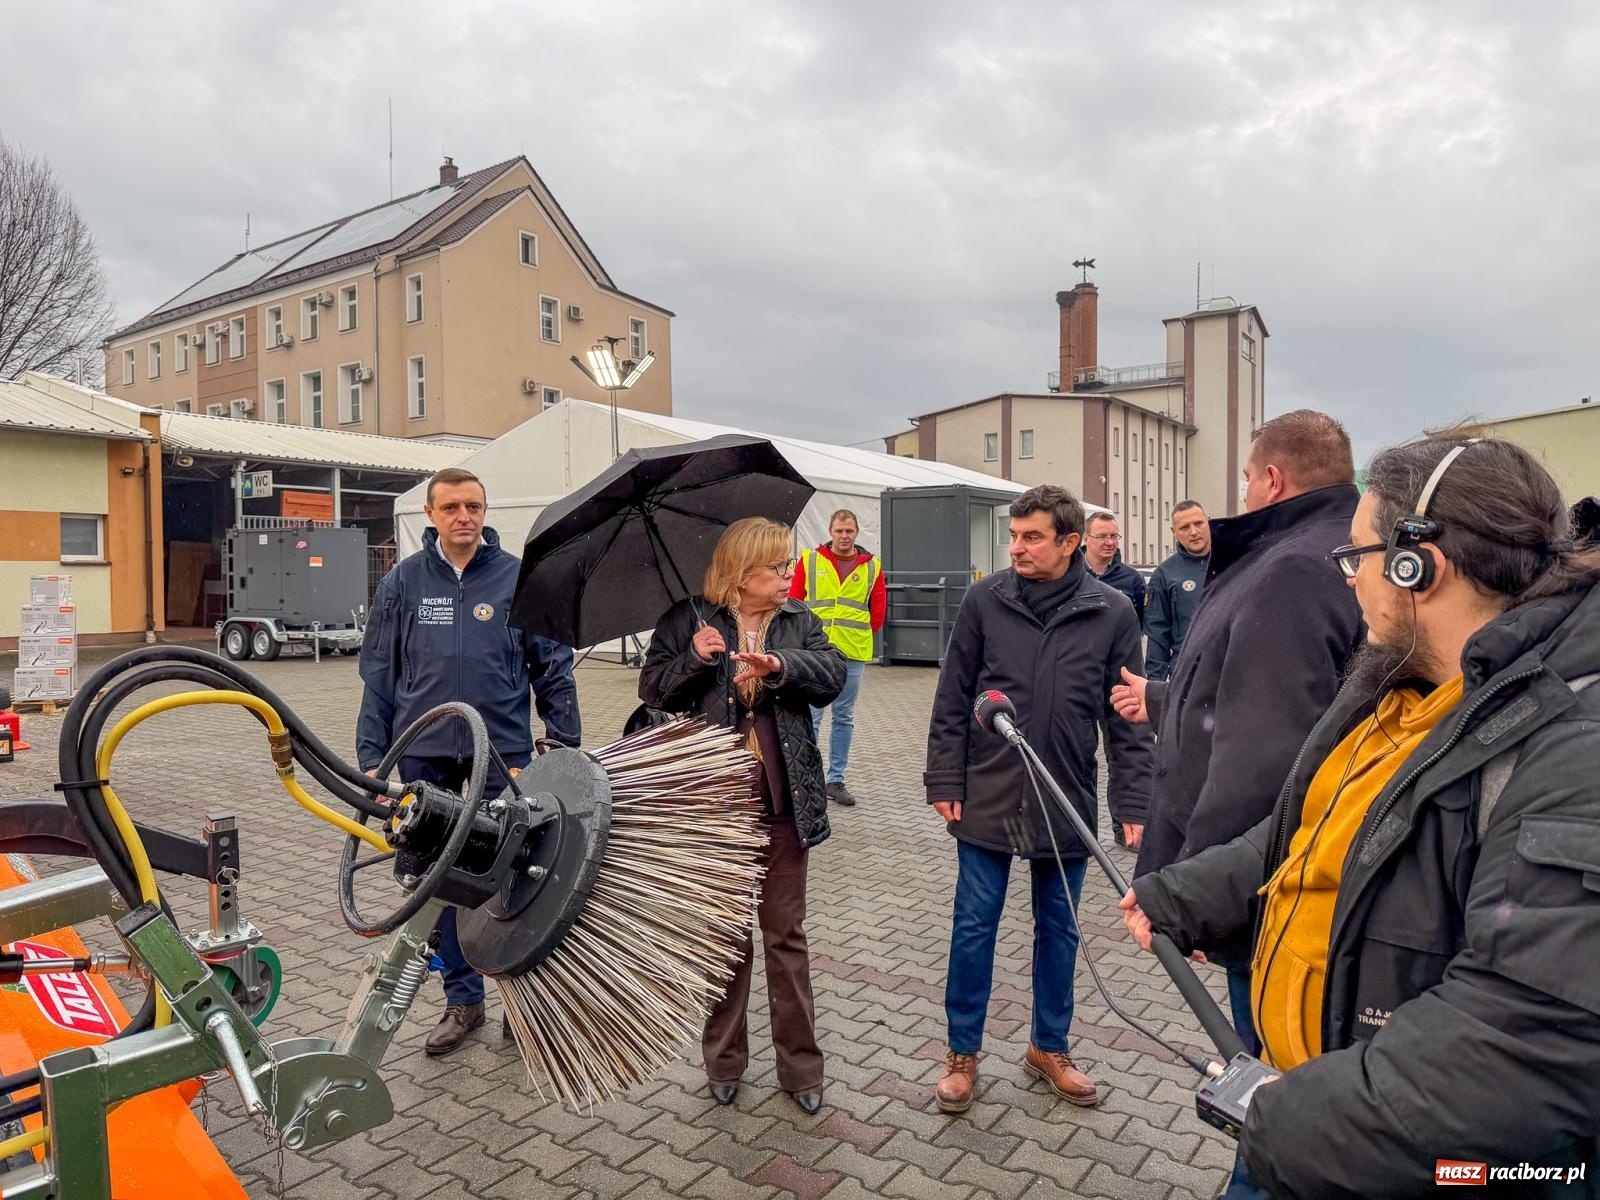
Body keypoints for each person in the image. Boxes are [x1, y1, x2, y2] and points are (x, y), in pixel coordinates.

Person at [1121, 434, 1600, 1199]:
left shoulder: (1569, 746)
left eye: (1358, 557)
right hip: (1308, 1113)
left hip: (1375, 1157)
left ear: (1419, 564)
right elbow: (1313, 830)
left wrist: (1294, 1119)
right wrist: (1189, 893)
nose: (1350, 581)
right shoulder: (1398, 679)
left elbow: (1522, 1043)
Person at [1111, 410, 1362, 1054]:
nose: (1244, 491)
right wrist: (1162, 699)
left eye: (1249, 477)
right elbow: (1267, 695)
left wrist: (1207, 899)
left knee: (1264, 1083)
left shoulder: (1292, 570)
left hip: (1266, 897)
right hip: (1300, 875)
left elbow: (1264, 756)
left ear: (1273, 479)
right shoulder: (1339, 551)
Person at [924, 484, 1154, 1114]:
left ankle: (1049, 1046)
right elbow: (952, 696)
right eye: (1014, 535)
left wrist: (1132, 801)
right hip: (989, 790)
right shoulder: (983, 600)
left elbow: (1127, 717)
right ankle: (961, 1053)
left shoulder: (1112, 610)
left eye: (1032, 537)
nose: (1017, 548)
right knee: (974, 926)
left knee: (1059, 929)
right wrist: (945, 779)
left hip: (1065, 794)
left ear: (1070, 542)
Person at [357, 466, 580, 1057]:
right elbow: (378, 675)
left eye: (474, 506)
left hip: (501, 752)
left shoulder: (517, 581)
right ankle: (463, 1000)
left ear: (485, 512)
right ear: (430, 515)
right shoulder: (402, 585)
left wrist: (565, 745)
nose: (464, 516)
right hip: (425, 755)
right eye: (452, 507)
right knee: (440, 881)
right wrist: (372, 761)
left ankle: (521, 1003)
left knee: (512, 879)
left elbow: (552, 671)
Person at [639, 517, 845, 1115]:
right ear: (741, 572)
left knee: (786, 936)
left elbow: (831, 676)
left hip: (783, 804)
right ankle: (723, 1062)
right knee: (724, 938)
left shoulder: (798, 619)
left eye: (788, 567)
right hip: (714, 803)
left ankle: (801, 1070)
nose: (788, 577)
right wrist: (697, 663)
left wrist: (779, 666)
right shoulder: (688, 619)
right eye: (778, 567)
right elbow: (652, 691)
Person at [789, 508, 886, 807]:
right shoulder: (810, 559)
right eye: (839, 531)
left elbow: (878, 611)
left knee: (843, 717)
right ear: (830, 531)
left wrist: (856, 635)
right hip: (815, 652)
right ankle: (808, 777)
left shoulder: (871, 566)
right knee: (812, 717)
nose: (844, 536)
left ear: (857, 533)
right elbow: (794, 602)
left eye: (850, 531)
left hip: (852, 653)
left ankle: (836, 779)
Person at [1143, 500, 1211, 681]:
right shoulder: (1165, 575)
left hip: (1232, 672)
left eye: (1198, 523)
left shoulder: (1234, 561)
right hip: (1188, 676)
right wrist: (1154, 690)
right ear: (1174, 533)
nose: (1194, 532)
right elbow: (1157, 634)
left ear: (1209, 521)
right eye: (1184, 527)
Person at [1082, 512, 1147, 613]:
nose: (1110, 542)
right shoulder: (1070, 574)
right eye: (1102, 536)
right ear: (1086, 539)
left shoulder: (1133, 579)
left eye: (1114, 536)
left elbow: (1139, 623)